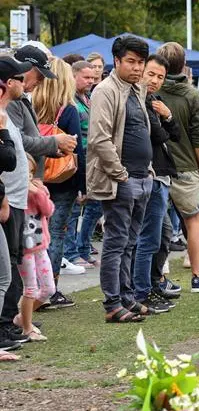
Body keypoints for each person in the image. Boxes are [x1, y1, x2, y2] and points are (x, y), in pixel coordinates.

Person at [87, 36, 154, 323]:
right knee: (116, 242)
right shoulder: (105, 90)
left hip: (141, 176)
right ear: (116, 61)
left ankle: (126, 296)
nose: (137, 68)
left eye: (141, 62)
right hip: (120, 180)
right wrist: (121, 175)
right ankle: (112, 304)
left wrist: (146, 171)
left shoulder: (136, 88)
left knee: (130, 242)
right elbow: (100, 139)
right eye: (131, 61)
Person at [9, 47, 81, 307]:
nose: (40, 81)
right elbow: (21, 142)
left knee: (27, 257)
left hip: (30, 185)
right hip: (19, 188)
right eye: (38, 75)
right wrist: (54, 142)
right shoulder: (13, 101)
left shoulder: (23, 98)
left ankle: (20, 317)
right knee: (21, 259)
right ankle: (14, 319)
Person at [156, 42, 199, 293]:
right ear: (184, 63)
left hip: (157, 163)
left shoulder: (150, 91)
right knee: (193, 222)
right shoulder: (191, 94)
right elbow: (197, 135)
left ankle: (160, 274)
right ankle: (197, 277)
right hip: (187, 164)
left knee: (155, 222)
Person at [31, 57, 86, 310]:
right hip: (63, 180)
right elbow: (78, 150)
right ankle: (50, 289)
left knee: (37, 235)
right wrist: (83, 185)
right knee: (57, 234)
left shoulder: (32, 106)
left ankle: (33, 288)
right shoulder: (68, 110)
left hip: (37, 178)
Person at [131, 54, 181, 313]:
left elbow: (175, 134)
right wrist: (163, 122)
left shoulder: (154, 101)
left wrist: (169, 114)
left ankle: (151, 283)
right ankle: (142, 292)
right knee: (148, 238)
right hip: (150, 175)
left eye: (160, 76)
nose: (154, 80)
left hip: (161, 174)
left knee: (163, 236)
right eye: (151, 74)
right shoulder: (138, 101)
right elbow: (159, 135)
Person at [0, 56, 34, 355]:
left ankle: (8, 321)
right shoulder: (2, 115)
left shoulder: (7, 113)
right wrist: (4, 198)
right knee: (6, 265)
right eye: (20, 79)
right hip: (7, 199)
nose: (25, 83)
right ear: (8, 83)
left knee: (13, 260)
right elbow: (5, 160)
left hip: (16, 197)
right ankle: (3, 323)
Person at [63, 61, 103, 269]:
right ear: (74, 75)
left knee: (95, 205)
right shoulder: (68, 100)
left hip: (92, 159)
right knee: (74, 208)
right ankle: (71, 253)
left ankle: (83, 248)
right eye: (86, 77)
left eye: (93, 77)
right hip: (77, 159)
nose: (91, 81)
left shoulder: (86, 98)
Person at [17, 154, 54, 340]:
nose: (29, 177)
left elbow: (48, 210)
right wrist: (37, 193)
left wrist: (41, 192)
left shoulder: (37, 191)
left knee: (48, 289)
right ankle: (27, 328)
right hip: (25, 248)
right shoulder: (17, 193)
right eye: (26, 172)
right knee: (30, 288)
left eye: (31, 172)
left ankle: (21, 318)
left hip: (40, 244)